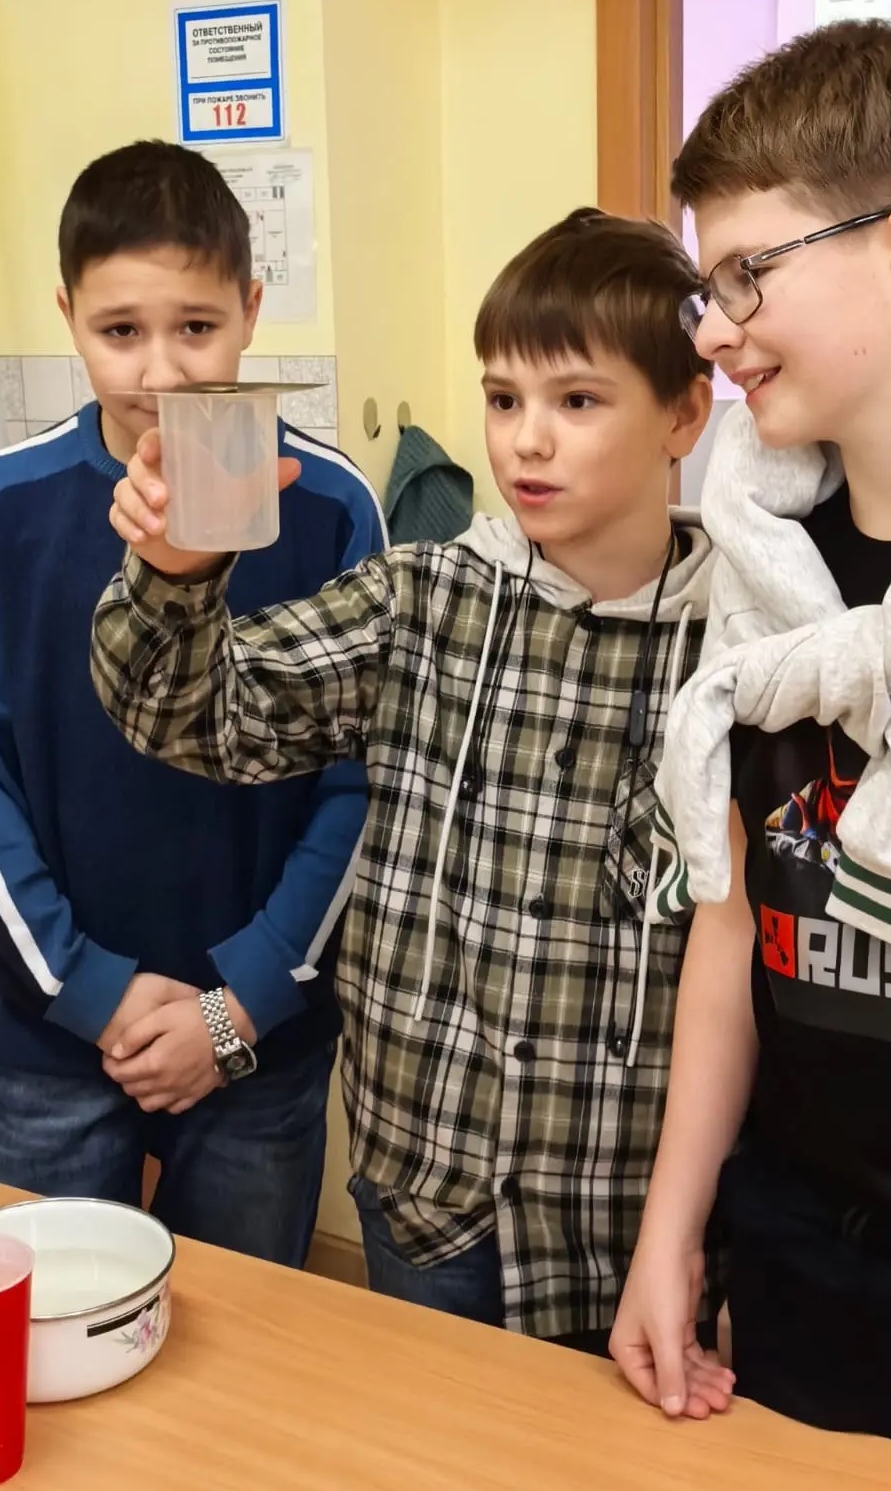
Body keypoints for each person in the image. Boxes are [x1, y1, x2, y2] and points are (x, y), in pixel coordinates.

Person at [89, 207, 715, 1348]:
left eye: (578, 401)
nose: (526, 441)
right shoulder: (420, 599)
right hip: (427, 1196)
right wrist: (173, 573)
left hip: (622, 1219)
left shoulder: (738, 649)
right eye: (503, 399)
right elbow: (187, 716)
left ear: (683, 412)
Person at [0, 140, 386, 1266]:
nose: (163, 372)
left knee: (244, 1349)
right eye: (121, 331)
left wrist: (243, 1000)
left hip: (254, 1048)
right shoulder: (6, 504)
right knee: (40, 1330)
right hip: (49, 1041)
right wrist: (92, 991)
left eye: (198, 326)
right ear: (69, 316)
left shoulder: (330, 505)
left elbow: (366, 782)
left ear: (251, 311)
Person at [609, 20, 891, 1461]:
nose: (712, 330)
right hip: (803, 1258)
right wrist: (672, 1224)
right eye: (709, 287)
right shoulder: (765, 568)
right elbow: (735, 918)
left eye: (748, 275)